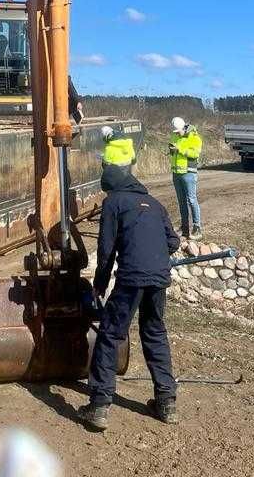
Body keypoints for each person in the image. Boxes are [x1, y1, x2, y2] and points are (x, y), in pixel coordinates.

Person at [77, 163, 180, 431]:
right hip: (158, 278)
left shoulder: (114, 203)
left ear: (111, 187)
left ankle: (99, 405)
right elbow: (173, 242)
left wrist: (99, 285)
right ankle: (167, 402)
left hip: (132, 278)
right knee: (155, 333)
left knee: (110, 334)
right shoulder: (154, 203)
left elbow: (106, 249)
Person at [169, 116, 202, 238]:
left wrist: (180, 149)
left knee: (191, 200)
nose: (177, 134)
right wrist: (172, 151)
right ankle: (184, 228)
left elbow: (195, 154)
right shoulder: (175, 136)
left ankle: (197, 228)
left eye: (178, 131)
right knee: (181, 202)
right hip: (176, 172)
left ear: (184, 128)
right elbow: (175, 153)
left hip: (189, 172)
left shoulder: (195, 137)